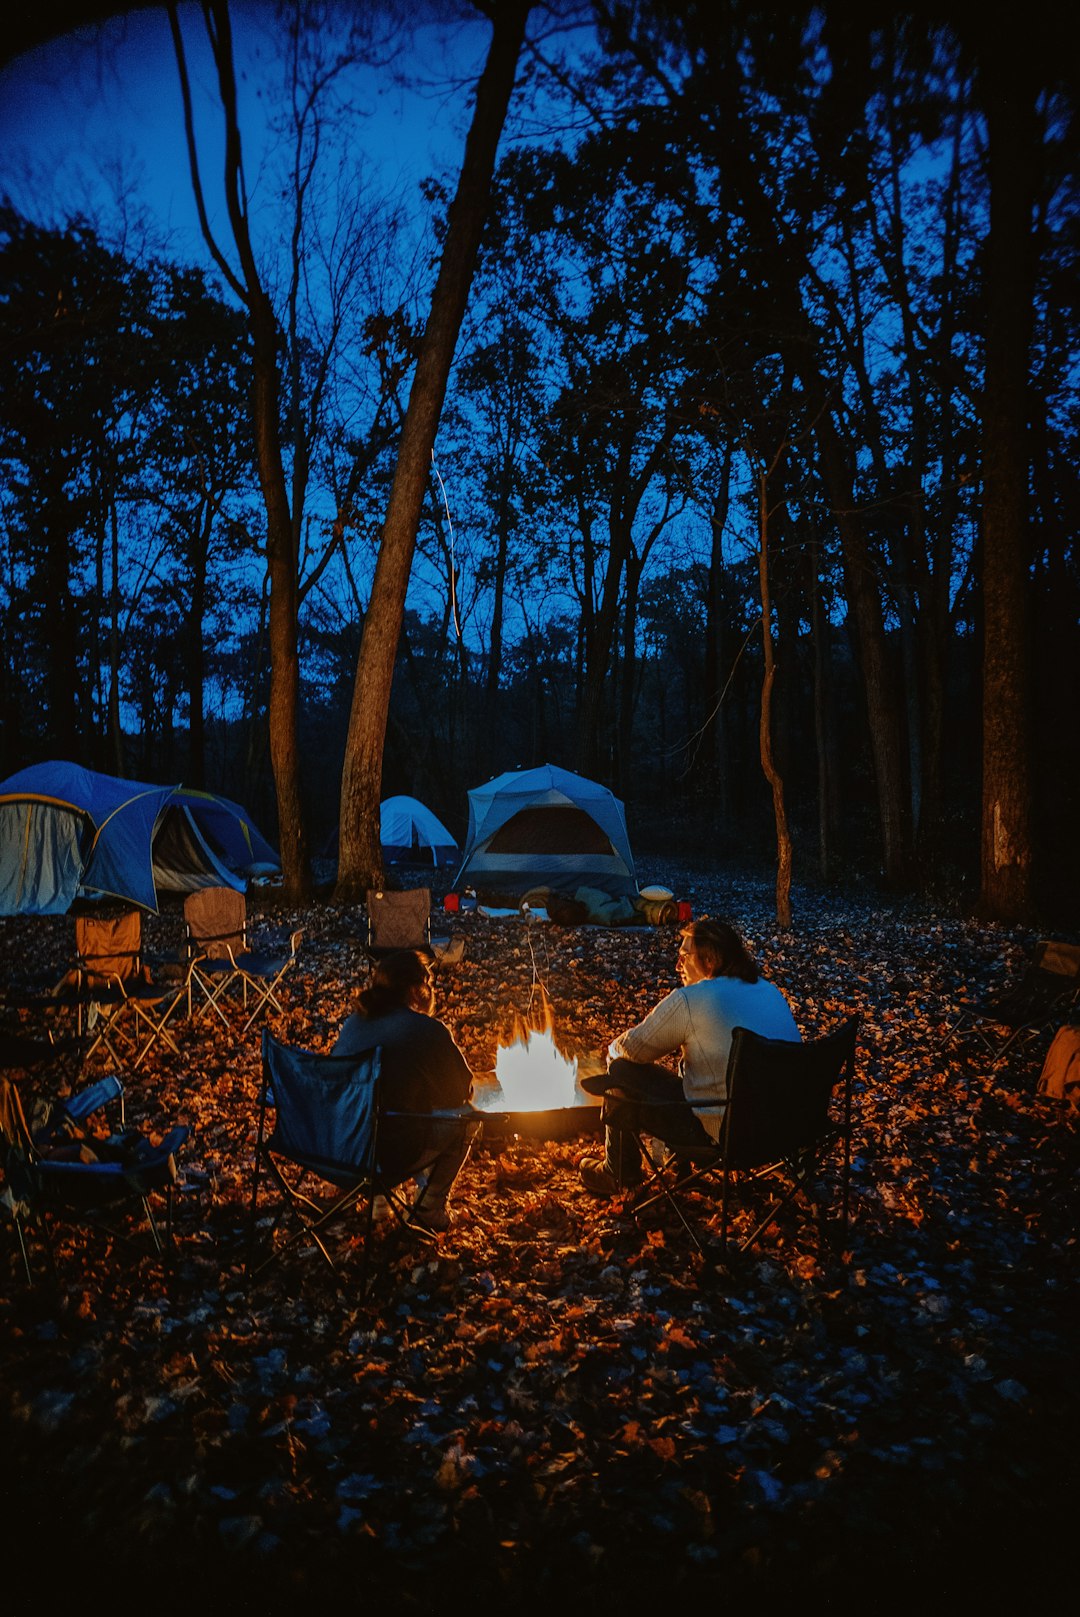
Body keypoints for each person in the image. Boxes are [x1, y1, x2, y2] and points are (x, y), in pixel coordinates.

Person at [578, 917, 801, 1196]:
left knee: (620, 1070)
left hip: (729, 1138)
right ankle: (675, 1166)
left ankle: (618, 1173)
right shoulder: (769, 991)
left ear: (710, 960)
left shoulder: (692, 999)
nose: (677, 965)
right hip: (787, 1131)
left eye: (684, 956)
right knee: (696, 1068)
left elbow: (631, 1049)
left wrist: (613, 1053)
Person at [333, 949, 478, 1230]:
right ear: (416, 989)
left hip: (338, 1148)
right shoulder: (427, 1030)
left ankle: (380, 1200)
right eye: (430, 984)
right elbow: (462, 1091)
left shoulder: (354, 1023)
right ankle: (429, 1206)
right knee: (466, 1118)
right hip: (389, 1155)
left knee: (380, 1111)